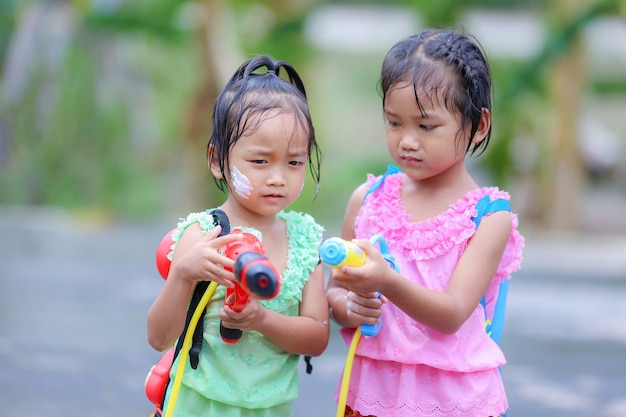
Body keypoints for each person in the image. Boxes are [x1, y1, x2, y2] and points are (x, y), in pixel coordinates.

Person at [326, 29, 525, 417]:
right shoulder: (367, 201)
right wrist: (350, 307)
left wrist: (386, 281)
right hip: (371, 393)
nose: (407, 141)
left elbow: (451, 314)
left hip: (454, 401)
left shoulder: (488, 218)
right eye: (394, 122)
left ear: (478, 125)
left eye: (426, 126)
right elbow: (335, 291)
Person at [147, 55, 329, 417]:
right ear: (217, 160)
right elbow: (159, 338)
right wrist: (184, 272)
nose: (278, 177)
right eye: (260, 161)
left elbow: (316, 336)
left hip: (271, 407)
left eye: (294, 162)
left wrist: (261, 320)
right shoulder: (204, 235)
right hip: (198, 404)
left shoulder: (304, 240)